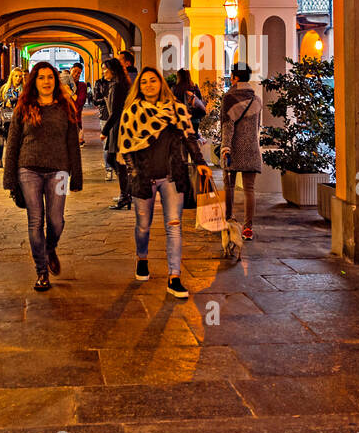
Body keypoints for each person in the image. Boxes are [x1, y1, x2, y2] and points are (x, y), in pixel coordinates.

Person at [118, 66, 214, 298]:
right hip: (143, 176)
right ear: (139, 87)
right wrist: (133, 173)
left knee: (174, 226)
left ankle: (174, 277)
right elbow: (126, 147)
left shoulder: (176, 109)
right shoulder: (131, 112)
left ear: (161, 83)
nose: (149, 85)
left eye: (153, 81)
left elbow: (189, 137)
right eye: (144, 82)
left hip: (172, 175)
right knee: (143, 225)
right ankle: (142, 258)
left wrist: (200, 162)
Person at [3, 60, 83, 291]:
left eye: (50, 77)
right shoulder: (24, 105)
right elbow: (13, 142)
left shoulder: (65, 106)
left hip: (59, 171)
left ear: (55, 81)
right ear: (34, 81)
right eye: (41, 77)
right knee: (35, 221)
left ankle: (50, 248)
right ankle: (41, 272)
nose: (46, 81)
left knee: (56, 221)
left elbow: (72, 144)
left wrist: (76, 176)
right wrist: (9, 178)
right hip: (28, 169)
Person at [219, 64, 263, 241]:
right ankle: (248, 228)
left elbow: (227, 125)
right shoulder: (257, 99)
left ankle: (228, 218)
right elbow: (257, 126)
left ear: (234, 77)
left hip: (233, 148)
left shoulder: (229, 97)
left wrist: (225, 147)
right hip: (251, 147)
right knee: (249, 189)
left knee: (229, 185)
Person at [99, 57, 131, 208]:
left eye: (105, 69)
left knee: (116, 160)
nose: (103, 72)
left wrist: (104, 131)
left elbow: (115, 112)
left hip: (118, 129)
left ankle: (126, 194)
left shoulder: (117, 86)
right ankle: (126, 192)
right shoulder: (117, 84)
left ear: (113, 70)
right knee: (114, 160)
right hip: (117, 128)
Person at [0, 67, 26, 166]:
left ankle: (13, 161)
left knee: (14, 141)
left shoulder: (24, 89)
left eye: (20, 76)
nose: (18, 78)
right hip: (5, 117)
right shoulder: (4, 88)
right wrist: (5, 103)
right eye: (16, 76)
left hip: (18, 117)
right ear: (12, 77)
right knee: (0, 140)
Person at [67, 62, 89, 144]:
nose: (76, 74)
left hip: (75, 119)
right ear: (70, 70)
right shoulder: (63, 85)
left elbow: (79, 103)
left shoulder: (82, 86)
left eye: (79, 72)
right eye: (75, 71)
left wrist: (69, 92)